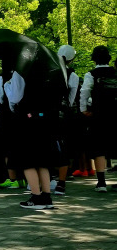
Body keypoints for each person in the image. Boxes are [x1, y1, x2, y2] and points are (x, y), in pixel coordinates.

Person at [3, 64, 61, 209]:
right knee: (42, 160)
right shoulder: (48, 70)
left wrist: (7, 86)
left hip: (26, 119)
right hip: (45, 119)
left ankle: (36, 197)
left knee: (27, 160)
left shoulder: (20, 71)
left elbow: (15, 97)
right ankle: (46, 196)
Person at [80, 46, 117, 192]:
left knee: (99, 147)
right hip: (115, 113)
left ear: (94, 59)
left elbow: (84, 92)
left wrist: (84, 109)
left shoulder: (91, 74)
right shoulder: (116, 73)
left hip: (99, 114)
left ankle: (101, 182)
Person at [53, 45, 80, 195]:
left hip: (47, 112)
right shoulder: (73, 76)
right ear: (71, 59)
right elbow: (71, 98)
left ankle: (47, 179)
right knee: (62, 148)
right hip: (62, 114)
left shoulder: (49, 69)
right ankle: (61, 184)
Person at [0, 60, 26, 190]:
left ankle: (12, 178)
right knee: (21, 147)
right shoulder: (23, 76)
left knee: (8, 149)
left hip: (7, 117)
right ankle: (23, 178)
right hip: (23, 116)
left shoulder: (1, 79)